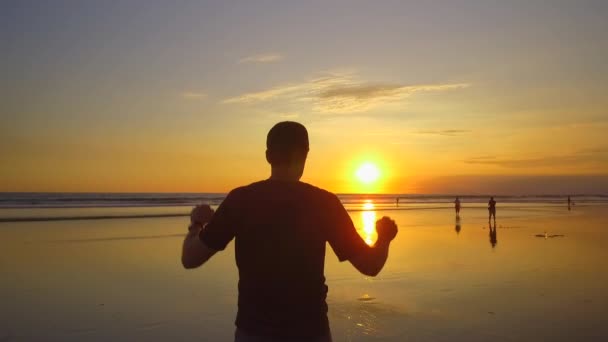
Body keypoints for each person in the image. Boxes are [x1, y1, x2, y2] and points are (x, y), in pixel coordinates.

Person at [181, 121, 398, 342]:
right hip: (311, 332)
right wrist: (385, 237)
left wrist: (197, 225)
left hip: (254, 332)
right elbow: (370, 266)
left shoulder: (241, 200)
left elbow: (190, 258)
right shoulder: (324, 203)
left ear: (268, 156)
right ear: (305, 155)